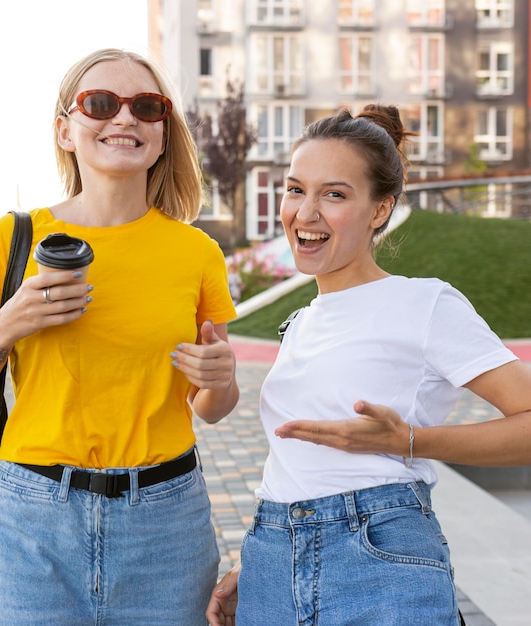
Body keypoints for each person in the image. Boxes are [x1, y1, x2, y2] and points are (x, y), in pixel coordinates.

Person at [0, 47, 239, 626]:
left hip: (167, 524)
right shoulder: (13, 239)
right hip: (31, 523)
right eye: (100, 103)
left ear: (163, 134)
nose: (125, 119)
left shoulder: (195, 253)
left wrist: (219, 380)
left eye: (147, 107)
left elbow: (213, 407)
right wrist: (7, 326)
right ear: (66, 130)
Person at [206, 104, 531, 626]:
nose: (305, 213)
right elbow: (299, 468)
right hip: (273, 558)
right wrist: (269, 561)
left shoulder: (426, 304)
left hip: (379, 557)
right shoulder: (300, 322)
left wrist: (409, 442)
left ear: (380, 209)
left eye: (334, 194)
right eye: (295, 189)